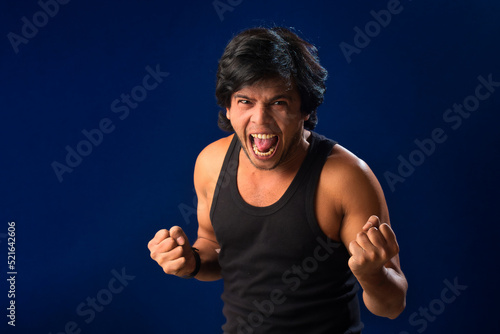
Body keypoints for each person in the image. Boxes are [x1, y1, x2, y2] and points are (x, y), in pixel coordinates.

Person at [148, 27, 407, 333]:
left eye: (278, 103)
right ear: (228, 108)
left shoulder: (344, 179)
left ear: (304, 110)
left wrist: (373, 275)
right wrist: (190, 261)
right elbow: (214, 247)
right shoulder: (211, 163)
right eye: (245, 101)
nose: (260, 119)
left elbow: (392, 306)